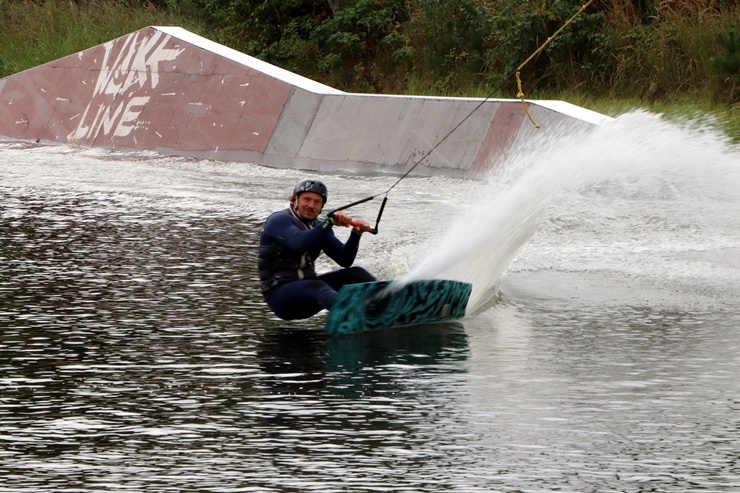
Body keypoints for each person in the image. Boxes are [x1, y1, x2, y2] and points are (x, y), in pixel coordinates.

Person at [258, 178, 377, 320]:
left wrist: (356, 234)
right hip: (281, 298)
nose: (311, 205)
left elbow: (344, 260)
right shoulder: (279, 220)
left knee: (357, 274)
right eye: (306, 199)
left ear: (321, 207)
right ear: (295, 200)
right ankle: (354, 319)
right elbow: (299, 243)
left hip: (308, 296)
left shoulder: (319, 227)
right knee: (318, 286)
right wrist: (330, 223)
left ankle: (388, 301)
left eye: (317, 202)